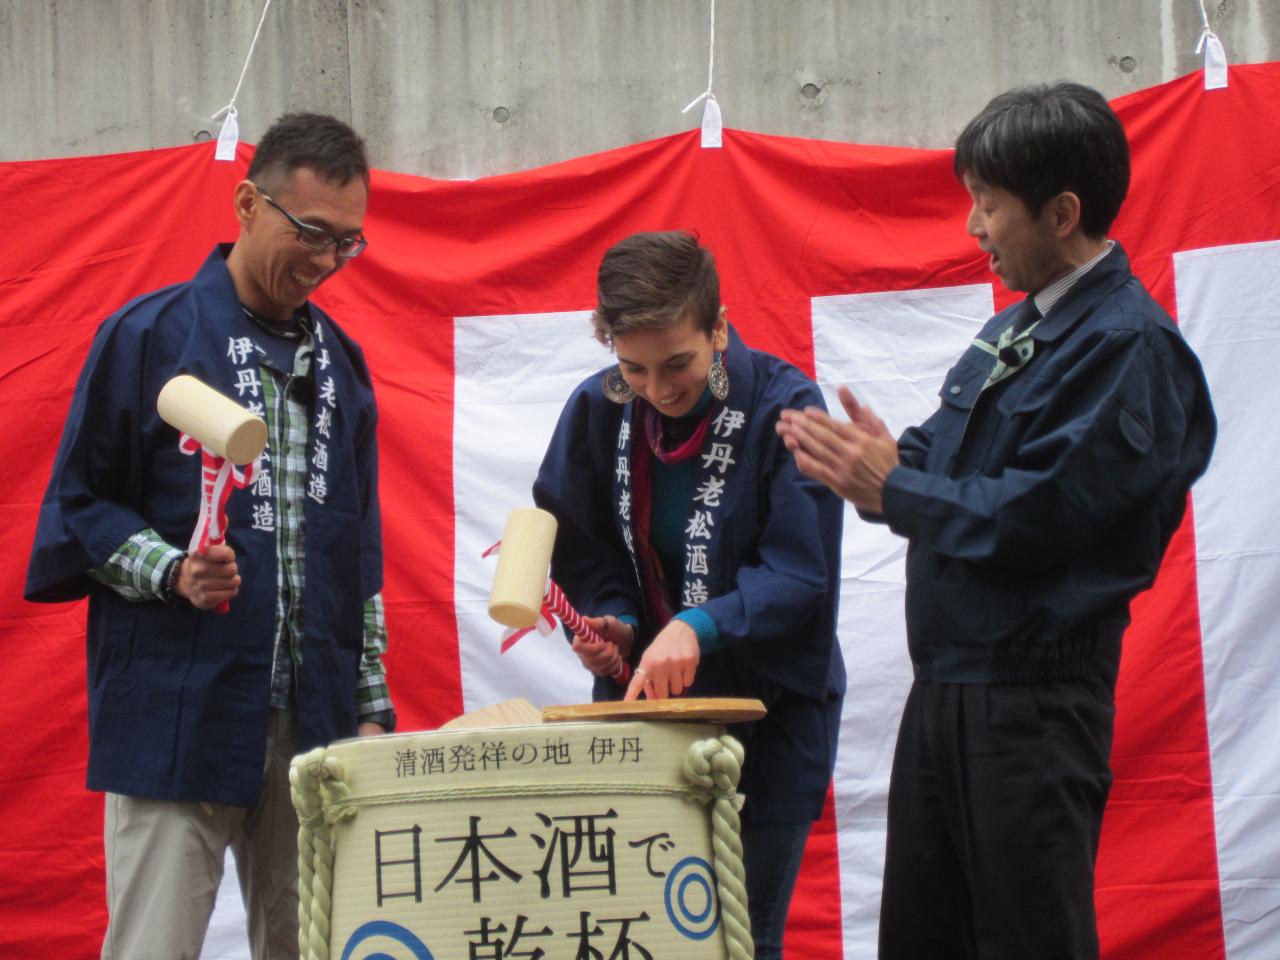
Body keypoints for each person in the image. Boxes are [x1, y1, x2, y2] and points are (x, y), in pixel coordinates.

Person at [777, 82, 1216, 959]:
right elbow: (943, 450)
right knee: (925, 937)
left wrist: (893, 489)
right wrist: (887, 465)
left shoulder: (1129, 347)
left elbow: (1040, 515)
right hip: (948, 689)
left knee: (1027, 941)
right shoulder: (1020, 329)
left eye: (987, 204)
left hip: (1032, 703)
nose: (973, 227)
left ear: (1062, 212)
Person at [25, 113, 394, 960]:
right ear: (244, 203)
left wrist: (370, 708)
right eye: (309, 233)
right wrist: (172, 570)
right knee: (153, 945)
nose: (325, 261)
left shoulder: (344, 367)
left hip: (314, 718)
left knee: (316, 944)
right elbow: (82, 505)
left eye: (347, 243)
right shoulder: (150, 337)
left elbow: (358, 554)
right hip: (177, 703)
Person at [533, 230, 846, 959]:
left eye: (679, 362)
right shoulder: (599, 409)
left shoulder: (786, 403)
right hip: (649, 713)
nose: (658, 387)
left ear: (720, 327)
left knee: (742, 939)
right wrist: (615, 621)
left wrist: (699, 626)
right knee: (648, 937)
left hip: (769, 715)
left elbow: (800, 572)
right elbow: (580, 545)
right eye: (633, 366)